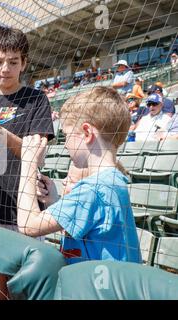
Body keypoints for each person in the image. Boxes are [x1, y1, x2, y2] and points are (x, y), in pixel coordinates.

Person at [17, 86, 142, 265]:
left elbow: (28, 224)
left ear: (86, 133)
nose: (66, 144)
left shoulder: (94, 188)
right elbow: (85, 226)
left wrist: (28, 162)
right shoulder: (113, 180)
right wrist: (54, 202)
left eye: (66, 135)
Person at [0, 26, 54, 300]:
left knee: (24, 290)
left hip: (25, 210)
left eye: (13, 62)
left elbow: (37, 154)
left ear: (24, 63)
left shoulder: (36, 99)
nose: (5, 68)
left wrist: (0, 132)